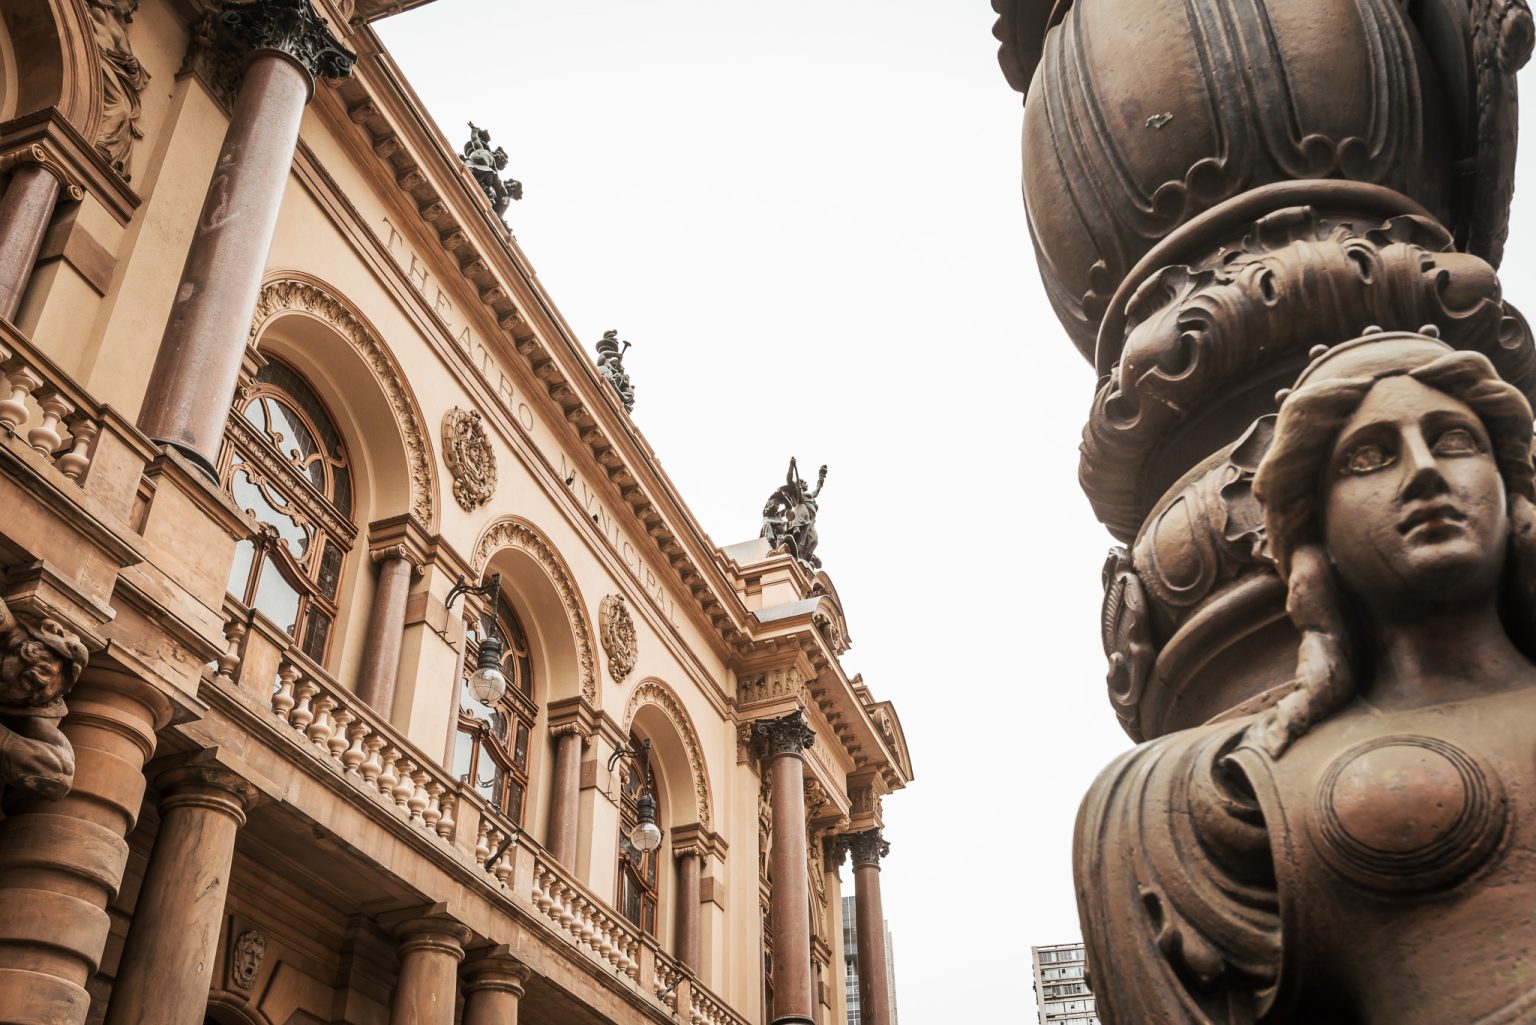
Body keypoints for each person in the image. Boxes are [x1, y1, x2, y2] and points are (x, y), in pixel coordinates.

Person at [1077, 329, 1536, 1025]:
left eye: (1454, 441)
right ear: (1313, 529)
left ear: (1511, 488)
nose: (1423, 472)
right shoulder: (1176, 803)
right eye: (1369, 457)